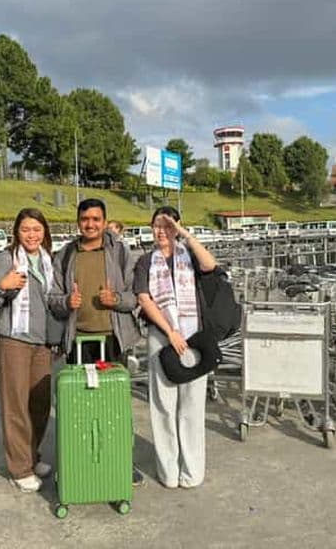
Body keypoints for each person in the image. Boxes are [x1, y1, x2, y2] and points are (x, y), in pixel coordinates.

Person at [48, 197, 144, 484]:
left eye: (96, 219)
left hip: (112, 340)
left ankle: (122, 461)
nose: (90, 224)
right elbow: (53, 299)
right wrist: (67, 301)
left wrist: (115, 299)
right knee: (80, 406)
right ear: (78, 221)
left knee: (115, 406)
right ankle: (81, 460)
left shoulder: (119, 253)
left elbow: (134, 297)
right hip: (78, 341)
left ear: (104, 221)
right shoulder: (66, 254)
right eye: (85, 219)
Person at [133, 206, 217, 489]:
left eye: (167, 226)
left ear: (177, 228)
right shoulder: (146, 261)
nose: (161, 231)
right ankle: (168, 469)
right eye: (156, 225)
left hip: (193, 335)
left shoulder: (188, 255)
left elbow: (210, 265)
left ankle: (192, 470)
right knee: (164, 404)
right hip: (161, 335)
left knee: (192, 404)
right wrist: (170, 332)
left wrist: (184, 235)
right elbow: (144, 298)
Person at [0, 208, 56, 493]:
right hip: (14, 339)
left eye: (37, 229)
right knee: (16, 404)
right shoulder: (7, 258)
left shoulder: (48, 260)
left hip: (42, 341)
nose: (31, 235)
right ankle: (19, 467)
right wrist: (3, 285)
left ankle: (32, 455)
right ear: (16, 232)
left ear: (44, 232)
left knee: (39, 404)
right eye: (26, 229)